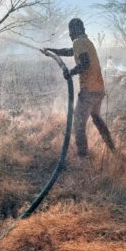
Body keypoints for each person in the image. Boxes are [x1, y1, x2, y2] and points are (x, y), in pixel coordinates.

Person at [44, 18, 115, 157]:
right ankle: (112, 148)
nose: (69, 35)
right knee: (96, 118)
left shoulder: (79, 42)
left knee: (78, 123)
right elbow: (70, 51)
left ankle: (83, 157)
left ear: (75, 31)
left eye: (70, 31)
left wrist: (70, 72)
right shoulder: (85, 42)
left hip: (88, 91)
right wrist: (51, 51)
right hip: (99, 90)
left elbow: (85, 63)